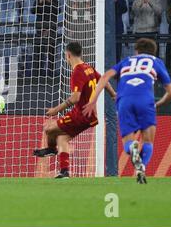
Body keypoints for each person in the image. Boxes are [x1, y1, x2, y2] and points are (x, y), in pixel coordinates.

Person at [83, 38, 171, 184]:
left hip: (124, 100)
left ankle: (132, 148)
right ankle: (141, 168)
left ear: (136, 51)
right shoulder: (156, 62)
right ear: (154, 51)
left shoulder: (126, 61)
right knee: (148, 140)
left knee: (128, 141)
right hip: (146, 100)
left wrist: (93, 99)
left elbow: (106, 76)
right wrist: (157, 105)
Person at [33, 42, 116, 179]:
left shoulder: (77, 71)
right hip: (90, 115)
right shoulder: (88, 68)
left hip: (80, 114)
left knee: (49, 128)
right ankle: (65, 172)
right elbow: (103, 80)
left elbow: (76, 97)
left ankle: (51, 149)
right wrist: (113, 94)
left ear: (68, 54)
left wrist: (56, 109)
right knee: (62, 138)